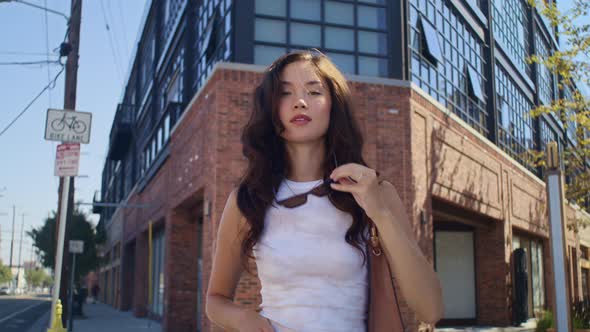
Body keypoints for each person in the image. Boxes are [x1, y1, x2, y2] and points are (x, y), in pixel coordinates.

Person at [206, 50, 443, 331]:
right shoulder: (249, 198)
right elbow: (215, 300)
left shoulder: (374, 192)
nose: (300, 102)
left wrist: (379, 212)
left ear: (334, 104)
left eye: (314, 91)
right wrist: (243, 317)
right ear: (271, 109)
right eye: (285, 93)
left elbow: (431, 308)